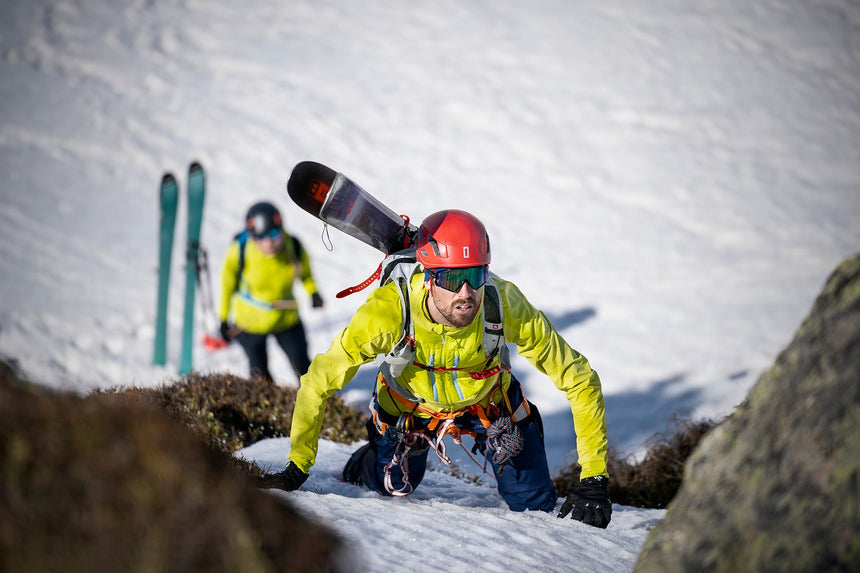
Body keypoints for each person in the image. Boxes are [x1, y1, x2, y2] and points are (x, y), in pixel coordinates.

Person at [264, 209, 612, 528]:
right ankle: (365, 461)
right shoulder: (389, 311)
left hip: (491, 408)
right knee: (395, 486)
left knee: (534, 503)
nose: (466, 293)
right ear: (428, 277)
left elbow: (580, 379)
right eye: (450, 279)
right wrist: (297, 467)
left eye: (476, 276)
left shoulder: (502, 302)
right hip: (408, 412)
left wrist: (594, 478)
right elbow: (318, 381)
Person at [218, 201, 324, 383]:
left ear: (281, 229)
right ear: (252, 236)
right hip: (250, 323)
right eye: (261, 237)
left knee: (304, 370)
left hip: (286, 318)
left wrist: (313, 293)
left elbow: (305, 274)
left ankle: (315, 405)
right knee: (260, 377)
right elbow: (227, 284)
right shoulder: (240, 250)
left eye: (274, 234)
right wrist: (223, 318)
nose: (269, 243)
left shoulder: (294, 246)